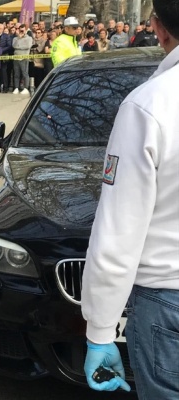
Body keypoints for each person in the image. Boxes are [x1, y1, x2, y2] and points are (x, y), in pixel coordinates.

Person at [81, 1, 179, 397]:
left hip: (167, 301)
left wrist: (100, 331)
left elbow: (119, 232)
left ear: (157, 28)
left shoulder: (150, 106)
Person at [11, 24, 33, 95]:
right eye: (20, 30)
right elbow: (14, 46)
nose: (21, 31)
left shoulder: (29, 38)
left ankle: (26, 88)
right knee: (16, 74)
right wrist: (19, 38)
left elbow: (27, 46)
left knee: (25, 73)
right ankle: (16, 87)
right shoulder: (15, 38)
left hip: (24, 57)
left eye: (23, 30)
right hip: (16, 57)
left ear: (26, 30)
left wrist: (19, 46)